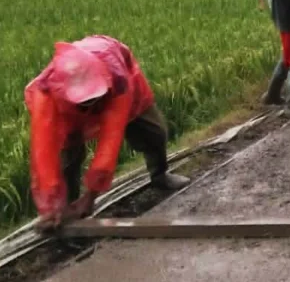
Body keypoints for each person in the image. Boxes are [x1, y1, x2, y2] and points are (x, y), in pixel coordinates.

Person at [25, 35, 191, 232]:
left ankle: (160, 174)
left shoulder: (118, 79)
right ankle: (64, 212)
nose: (91, 105)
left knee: (154, 131)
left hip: (120, 83)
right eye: (85, 101)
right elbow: (44, 156)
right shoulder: (45, 93)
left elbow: (109, 145)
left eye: (94, 99)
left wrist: (91, 196)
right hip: (66, 109)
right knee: (67, 158)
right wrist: (50, 205)